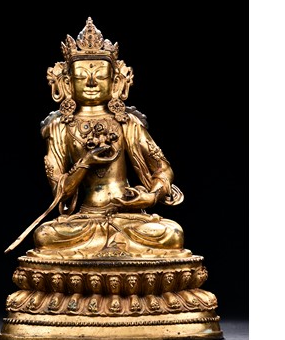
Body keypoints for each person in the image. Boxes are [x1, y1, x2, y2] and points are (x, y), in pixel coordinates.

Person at [11, 18, 190, 259]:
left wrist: (151, 196)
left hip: (128, 217)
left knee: (172, 234)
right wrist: (86, 162)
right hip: (85, 219)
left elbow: (163, 169)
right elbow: (59, 191)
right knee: (46, 235)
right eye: (82, 76)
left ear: (116, 83)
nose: (91, 82)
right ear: (67, 83)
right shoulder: (59, 127)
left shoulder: (127, 123)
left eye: (100, 76)